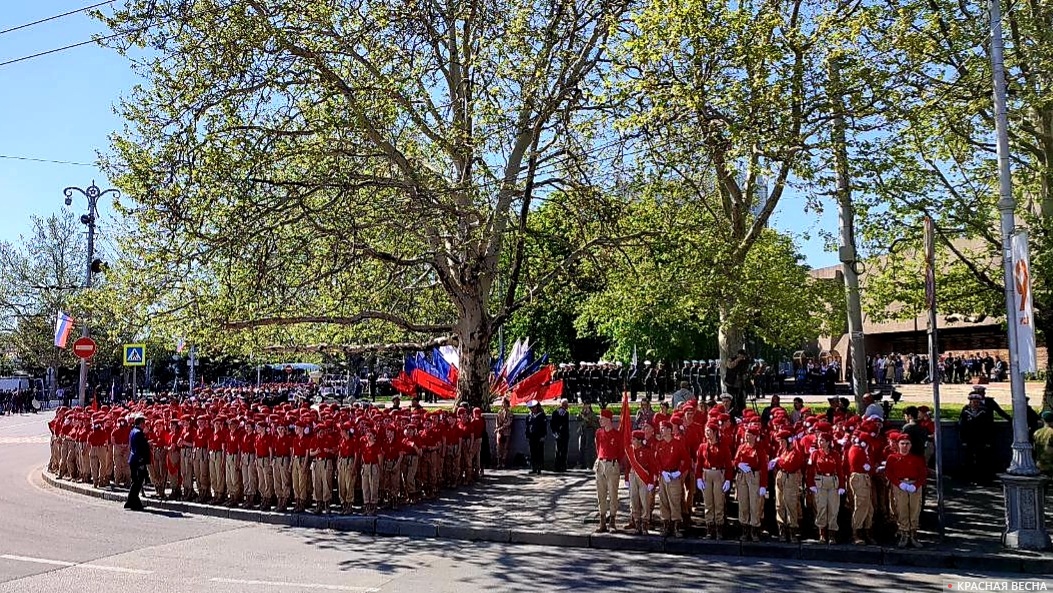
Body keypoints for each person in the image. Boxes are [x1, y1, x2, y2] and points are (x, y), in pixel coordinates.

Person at [884, 434, 927, 548]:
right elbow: (889, 473)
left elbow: (923, 474)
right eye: (902, 443)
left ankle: (914, 534)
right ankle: (904, 533)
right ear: (898, 445)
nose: (905, 446)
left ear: (911, 445)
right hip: (900, 485)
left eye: (907, 443)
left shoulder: (917, 459)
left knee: (915, 509)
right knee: (902, 509)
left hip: (914, 485)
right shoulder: (892, 458)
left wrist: (916, 485)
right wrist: (899, 484)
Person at [695, 423, 733, 540]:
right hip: (706, 474)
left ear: (715, 432)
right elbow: (699, 463)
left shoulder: (723, 446)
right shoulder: (702, 446)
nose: (707, 433)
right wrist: (698, 478)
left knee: (719, 502)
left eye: (709, 431)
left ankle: (719, 529)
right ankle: (710, 528)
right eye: (706, 431)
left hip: (719, 474)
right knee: (708, 503)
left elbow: (728, 464)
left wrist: (728, 479)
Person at [807, 430, 845, 544]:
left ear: (828, 442)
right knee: (821, 507)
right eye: (819, 440)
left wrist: (842, 485)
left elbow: (839, 470)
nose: (820, 443)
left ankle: (832, 534)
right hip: (820, 482)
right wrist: (811, 484)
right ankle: (822, 534)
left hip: (833, 482)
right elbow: (810, 470)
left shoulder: (835, 454)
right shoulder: (815, 454)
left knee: (833, 508)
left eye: (822, 441)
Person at [655, 420, 690, 537]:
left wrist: (678, 472)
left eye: (663, 428)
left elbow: (686, 460)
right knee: (663, 500)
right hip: (664, 476)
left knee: (675, 501)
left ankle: (676, 527)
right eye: (661, 428)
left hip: (674, 476)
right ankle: (666, 525)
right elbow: (657, 461)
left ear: (670, 430)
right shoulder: (659, 444)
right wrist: (662, 472)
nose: (661, 430)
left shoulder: (677, 443)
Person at [593, 408, 622, 533]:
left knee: (613, 493)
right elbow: (597, 446)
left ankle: (613, 521)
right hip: (601, 463)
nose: (600, 421)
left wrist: (615, 462)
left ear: (609, 420)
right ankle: (602, 520)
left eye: (603, 419)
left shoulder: (617, 434)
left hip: (612, 463)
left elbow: (620, 452)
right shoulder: (599, 432)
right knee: (601, 493)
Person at [959, 391, 994, 484]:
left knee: (981, 460)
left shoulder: (984, 412)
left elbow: (989, 427)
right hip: (969, 439)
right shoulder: (966, 412)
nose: (975, 404)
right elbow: (962, 426)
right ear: (970, 402)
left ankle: (980, 479)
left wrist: (988, 441)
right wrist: (963, 440)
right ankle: (969, 478)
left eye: (977, 402)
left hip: (981, 440)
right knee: (968, 459)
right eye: (973, 402)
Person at [125, 415, 150, 512]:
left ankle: (134, 501)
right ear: (140, 423)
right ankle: (131, 501)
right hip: (138, 460)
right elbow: (141, 448)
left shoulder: (132, 431)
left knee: (136, 481)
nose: (144, 425)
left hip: (133, 458)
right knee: (138, 482)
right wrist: (142, 460)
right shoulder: (139, 433)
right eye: (143, 423)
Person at [525, 401, 547, 474]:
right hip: (532, 436)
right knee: (532, 452)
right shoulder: (529, 416)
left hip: (539, 436)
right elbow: (527, 426)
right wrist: (527, 435)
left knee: (539, 452)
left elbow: (544, 426)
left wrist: (543, 436)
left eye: (534, 407)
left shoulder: (541, 415)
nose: (532, 409)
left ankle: (539, 468)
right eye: (531, 408)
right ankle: (533, 467)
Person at [550, 399, 571, 472]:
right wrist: (555, 432)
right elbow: (553, 424)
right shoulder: (558, 413)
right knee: (560, 450)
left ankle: (560, 466)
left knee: (561, 450)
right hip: (560, 434)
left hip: (562, 434)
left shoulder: (563, 413)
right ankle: (559, 466)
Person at [577, 403, 599, 470]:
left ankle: (589, 464)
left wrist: (587, 419)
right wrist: (581, 414)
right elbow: (578, 418)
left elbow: (595, 424)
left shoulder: (593, 415)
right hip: (583, 432)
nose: (586, 409)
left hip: (590, 431)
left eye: (587, 408)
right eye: (585, 408)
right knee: (581, 448)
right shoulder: (582, 414)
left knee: (588, 448)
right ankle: (581, 464)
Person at [494, 397, 514, 469]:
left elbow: (509, 423)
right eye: (502, 403)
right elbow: (497, 421)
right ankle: (498, 462)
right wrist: (497, 428)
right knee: (499, 447)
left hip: (506, 432)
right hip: (500, 433)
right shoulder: (499, 412)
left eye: (504, 403)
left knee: (505, 447)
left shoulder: (510, 413)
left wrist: (501, 428)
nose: (503, 404)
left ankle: (503, 462)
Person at [1033, 411, 1053, 477]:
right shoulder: (1052, 433)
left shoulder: (1037, 432)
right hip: (1050, 464)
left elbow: (1034, 448)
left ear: (1043, 420)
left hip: (1039, 464)